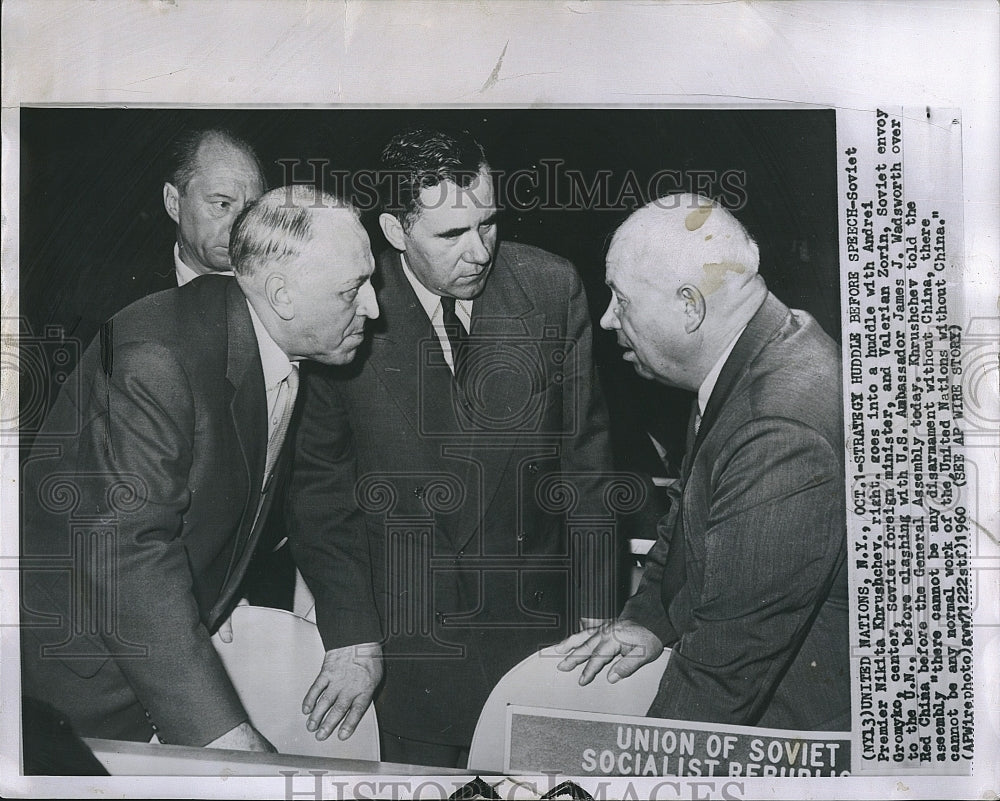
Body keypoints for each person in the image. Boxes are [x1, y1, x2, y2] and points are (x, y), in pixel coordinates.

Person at [289, 128, 619, 767]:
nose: (479, 253)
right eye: (449, 235)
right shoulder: (344, 307)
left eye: (489, 224)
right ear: (393, 230)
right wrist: (354, 639)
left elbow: (589, 469)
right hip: (404, 654)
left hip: (534, 644)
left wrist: (596, 616)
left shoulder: (551, 289)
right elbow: (320, 495)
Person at [20, 186, 381, 753]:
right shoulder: (155, 359)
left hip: (156, 647)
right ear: (283, 295)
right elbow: (127, 557)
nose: (373, 308)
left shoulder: (282, 345)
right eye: (352, 289)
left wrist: (355, 641)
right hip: (86, 675)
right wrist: (224, 739)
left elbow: (317, 494)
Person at [556, 193, 850, 731]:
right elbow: (689, 510)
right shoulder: (756, 350)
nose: (605, 319)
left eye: (620, 299)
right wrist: (646, 619)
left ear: (690, 306)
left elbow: (723, 671)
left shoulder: (777, 430)